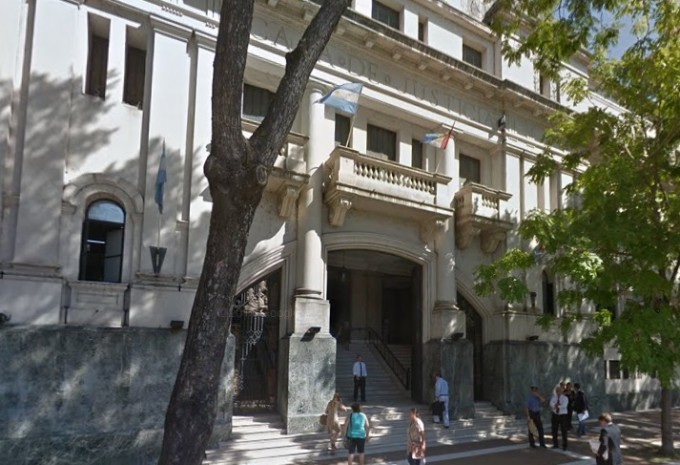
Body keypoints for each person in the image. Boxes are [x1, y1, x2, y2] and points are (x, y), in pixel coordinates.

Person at [549, 386, 570, 450]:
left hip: (563, 415)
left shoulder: (565, 398)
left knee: (564, 430)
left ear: (561, 391)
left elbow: (564, 406)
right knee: (554, 430)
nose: (558, 392)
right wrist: (555, 405)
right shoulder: (554, 397)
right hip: (555, 415)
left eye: (559, 391)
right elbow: (551, 403)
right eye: (557, 391)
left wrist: (557, 406)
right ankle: (555, 444)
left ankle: (565, 445)